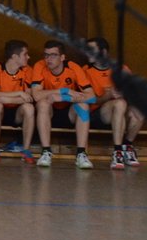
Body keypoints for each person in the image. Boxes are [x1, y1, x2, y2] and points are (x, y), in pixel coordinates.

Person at [28, 39, 96, 168]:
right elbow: (36, 95)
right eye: (46, 55)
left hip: (69, 112)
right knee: (42, 103)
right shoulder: (40, 65)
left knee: (83, 105)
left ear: (62, 57)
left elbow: (92, 97)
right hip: (49, 113)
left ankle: (81, 154)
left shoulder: (73, 67)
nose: (48, 59)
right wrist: (64, 90)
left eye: (53, 55)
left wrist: (63, 97)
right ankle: (46, 152)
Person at [84, 36, 138, 169]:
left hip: (121, 110)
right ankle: (117, 151)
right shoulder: (85, 70)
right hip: (98, 112)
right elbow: (87, 99)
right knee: (120, 103)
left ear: (103, 52)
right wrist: (107, 95)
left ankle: (127, 146)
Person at [0, 40, 34, 163]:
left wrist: (5, 98)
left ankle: (26, 150)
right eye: (25, 54)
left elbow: (29, 98)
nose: (28, 57)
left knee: (29, 108)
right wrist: (19, 93)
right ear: (15, 57)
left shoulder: (27, 70)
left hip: (17, 113)